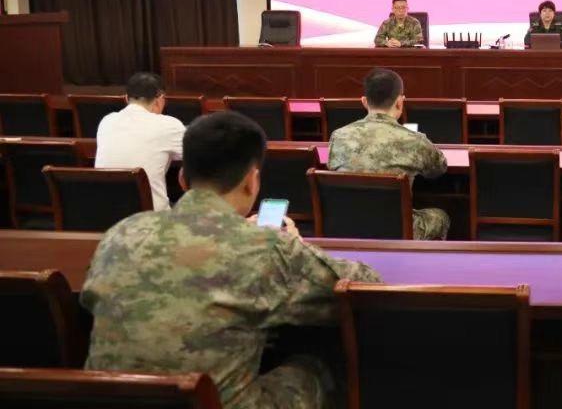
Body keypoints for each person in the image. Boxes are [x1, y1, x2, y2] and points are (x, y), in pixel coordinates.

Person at [81, 111, 381, 409]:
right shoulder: (267, 248)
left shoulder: (120, 233)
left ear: (182, 179)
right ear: (252, 181)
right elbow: (364, 287)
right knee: (318, 366)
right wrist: (296, 247)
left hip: (107, 401)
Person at [327, 68, 450, 240]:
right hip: (397, 230)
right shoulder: (414, 140)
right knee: (440, 217)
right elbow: (438, 169)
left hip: (346, 226)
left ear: (364, 102)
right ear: (400, 102)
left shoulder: (338, 136)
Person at [94, 72, 185, 211]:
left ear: (126, 98)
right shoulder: (169, 125)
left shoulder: (106, 121)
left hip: (107, 214)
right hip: (152, 218)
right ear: (160, 100)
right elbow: (198, 155)